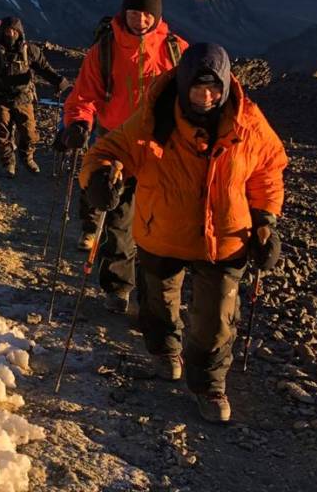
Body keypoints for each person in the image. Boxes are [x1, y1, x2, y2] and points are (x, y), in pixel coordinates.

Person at [80, 43, 286, 422]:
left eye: (213, 90)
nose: (206, 98)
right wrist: (98, 177)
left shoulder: (248, 123)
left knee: (216, 319)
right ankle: (163, 350)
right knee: (158, 302)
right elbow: (110, 149)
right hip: (163, 232)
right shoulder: (154, 117)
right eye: (197, 89)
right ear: (183, 86)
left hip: (226, 238)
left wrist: (265, 221)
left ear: (225, 86)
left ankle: (209, 386)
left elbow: (268, 171)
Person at [56, 0, 189, 314]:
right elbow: (84, 95)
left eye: (146, 15)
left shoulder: (176, 50)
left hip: (160, 147)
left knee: (157, 222)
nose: (139, 20)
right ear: (124, 12)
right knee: (118, 218)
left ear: (156, 16)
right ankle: (119, 287)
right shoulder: (105, 50)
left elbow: (194, 95)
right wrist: (79, 122)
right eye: (134, 13)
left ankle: (153, 291)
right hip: (117, 144)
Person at [0, 16, 69, 176]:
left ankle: (27, 157)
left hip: (23, 97)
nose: (10, 34)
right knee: (2, 133)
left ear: (19, 32)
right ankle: (9, 163)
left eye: (13, 31)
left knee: (30, 133)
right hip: (0, 97)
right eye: (7, 31)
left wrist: (59, 81)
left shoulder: (29, 50)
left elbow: (44, 68)